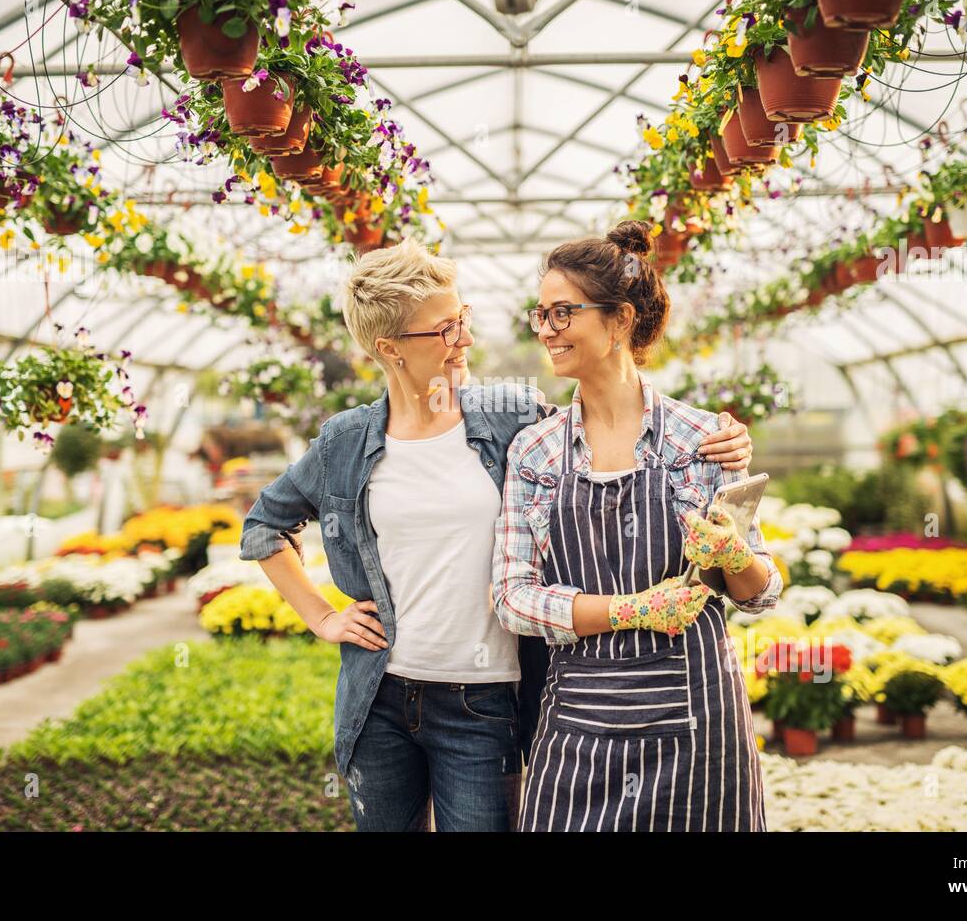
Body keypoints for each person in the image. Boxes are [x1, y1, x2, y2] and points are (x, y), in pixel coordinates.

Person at [239, 237, 755, 831]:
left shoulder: (512, 415)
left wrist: (725, 444)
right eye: (443, 330)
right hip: (379, 697)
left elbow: (606, 418)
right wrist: (322, 616)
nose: (464, 339)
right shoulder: (346, 441)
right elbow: (264, 525)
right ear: (390, 349)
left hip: (482, 700)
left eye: (463, 320)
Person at [492, 220, 782, 832]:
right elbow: (513, 600)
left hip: (699, 721)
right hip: (579, 721)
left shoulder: (702, 440)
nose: (546, 330)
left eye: (562, 313)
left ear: (620, 321)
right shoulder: (536, 452)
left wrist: (733, 555)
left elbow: (761, 593)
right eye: (539, 315)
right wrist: (633, 610)